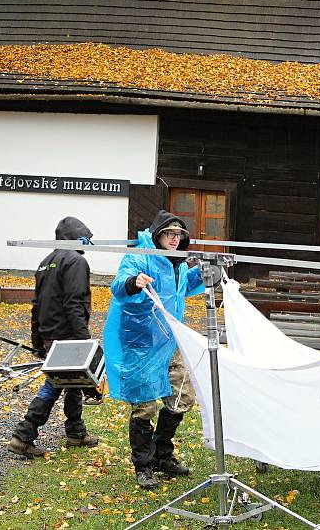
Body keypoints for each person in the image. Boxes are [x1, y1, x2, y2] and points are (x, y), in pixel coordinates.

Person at [103, 210, 205, 489]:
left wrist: (208, 274)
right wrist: (132, 283)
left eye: (178, 235)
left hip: (171, 341)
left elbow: (182, 289)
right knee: (144, 405)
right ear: (158, 234)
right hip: (142, 342)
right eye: (169, 234)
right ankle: (143, 466)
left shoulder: (177, 263)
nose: (173, 239)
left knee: (183, 395)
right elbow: (118, 285)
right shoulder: (140, 256)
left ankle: (162, 453)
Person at [7, 216, 99, 458]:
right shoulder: (75, 261)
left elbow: (36, 306)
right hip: (68, 335)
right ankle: (23, 435)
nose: (87, 244)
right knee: (55, 384)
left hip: (50, 335)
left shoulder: (45, 262)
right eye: (85, 239)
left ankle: (76, 433)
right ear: (76, 237)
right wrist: (84, 340)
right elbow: (74, 303)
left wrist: (38, 341)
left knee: (72, 383)